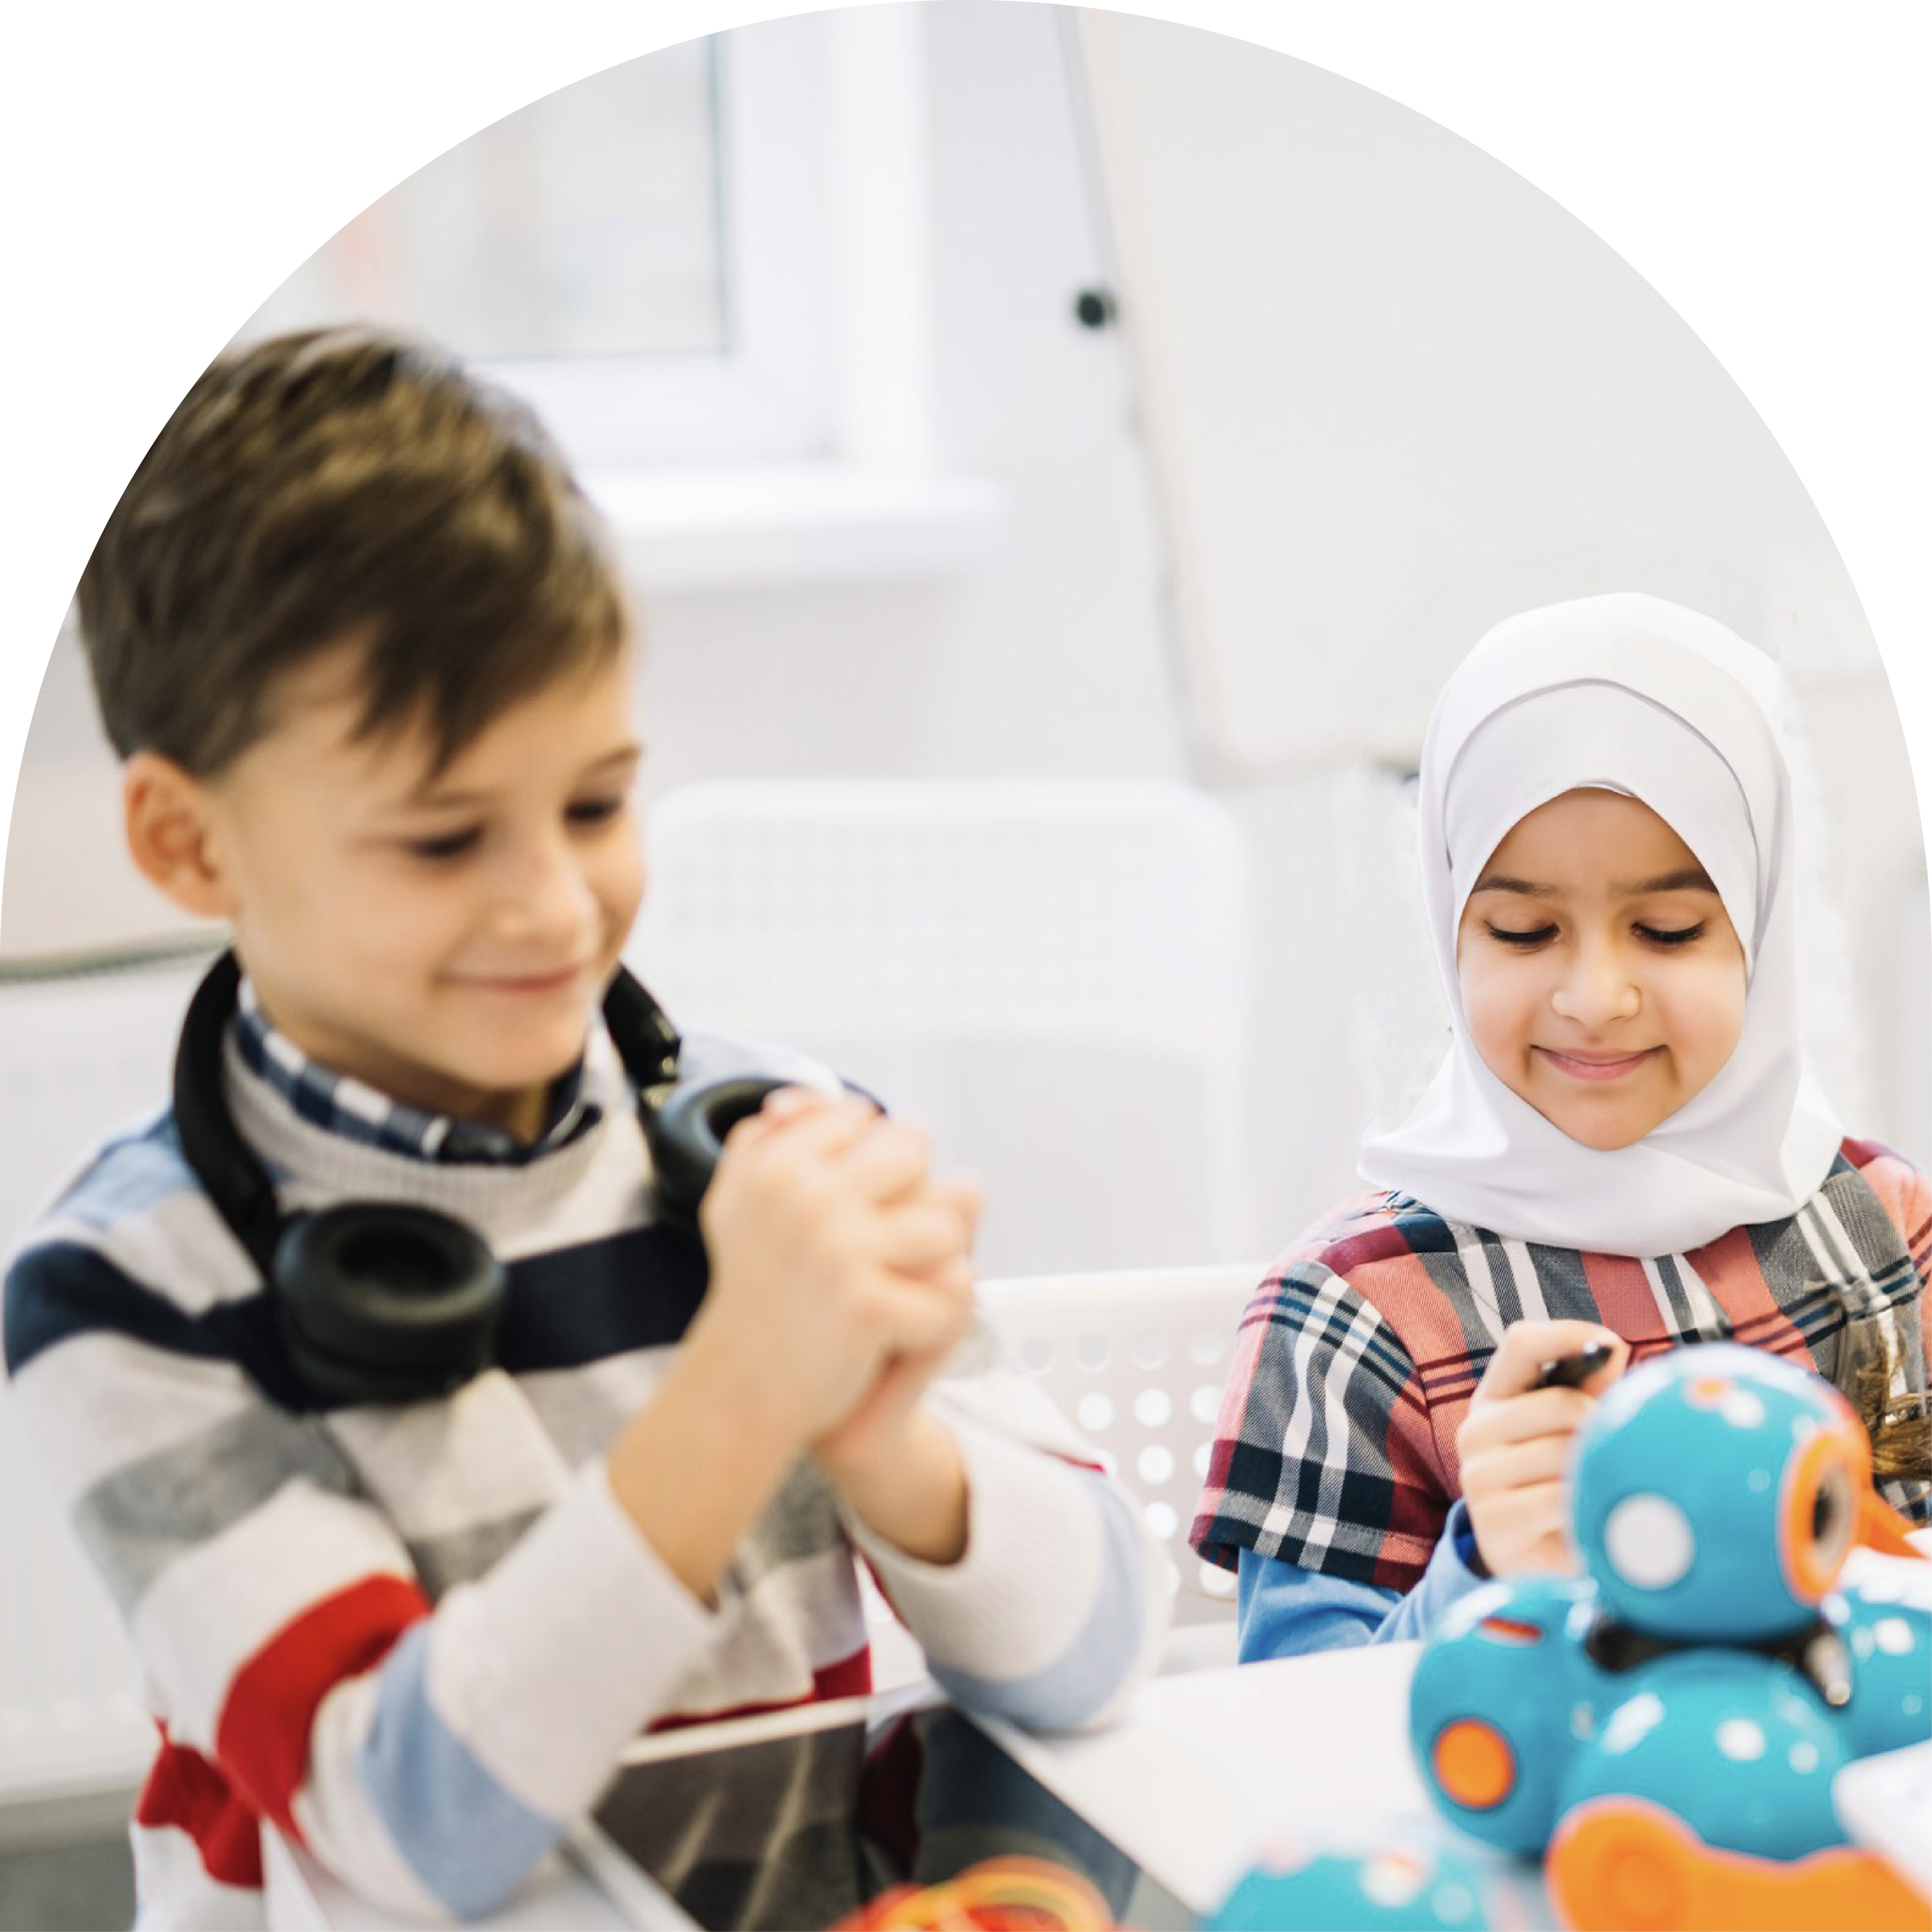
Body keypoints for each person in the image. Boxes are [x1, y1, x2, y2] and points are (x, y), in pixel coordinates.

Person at [2, 327, 1169, 1927]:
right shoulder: (125, 1290)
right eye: (441, 836)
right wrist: (741, 1390)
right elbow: (412, 1828)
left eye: (597, 803)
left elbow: (1096, 1643)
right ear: (187, 838)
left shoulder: (780, 1143)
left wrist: (889, 1441)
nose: (554, 903)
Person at [1190, 592, 1930, 1660]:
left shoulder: (1881, 1219)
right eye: (1525, 929)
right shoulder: (1355, 1310)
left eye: (1669, 930)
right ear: (1450, 927)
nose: (1595, 995)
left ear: (1763, 931)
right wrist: (1485, 1562)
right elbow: (1292, 1715)